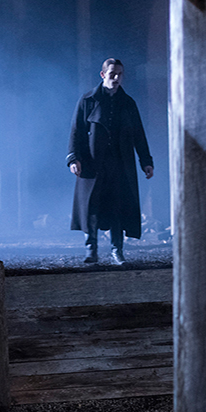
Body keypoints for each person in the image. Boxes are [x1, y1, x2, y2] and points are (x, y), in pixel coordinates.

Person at [67, 58, 154, 265]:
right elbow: (76, 131)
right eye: (112, 73)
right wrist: (73, 158)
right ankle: (91, 250)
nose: (116, 78)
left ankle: (117, 251)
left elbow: (139, 135)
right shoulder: (87, 100)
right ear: (103, 74)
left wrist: (146, 161)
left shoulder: (128, 103)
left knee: (117, 207)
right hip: (93, 163)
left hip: (119, 164)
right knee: (91, 206)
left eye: (120, 74)